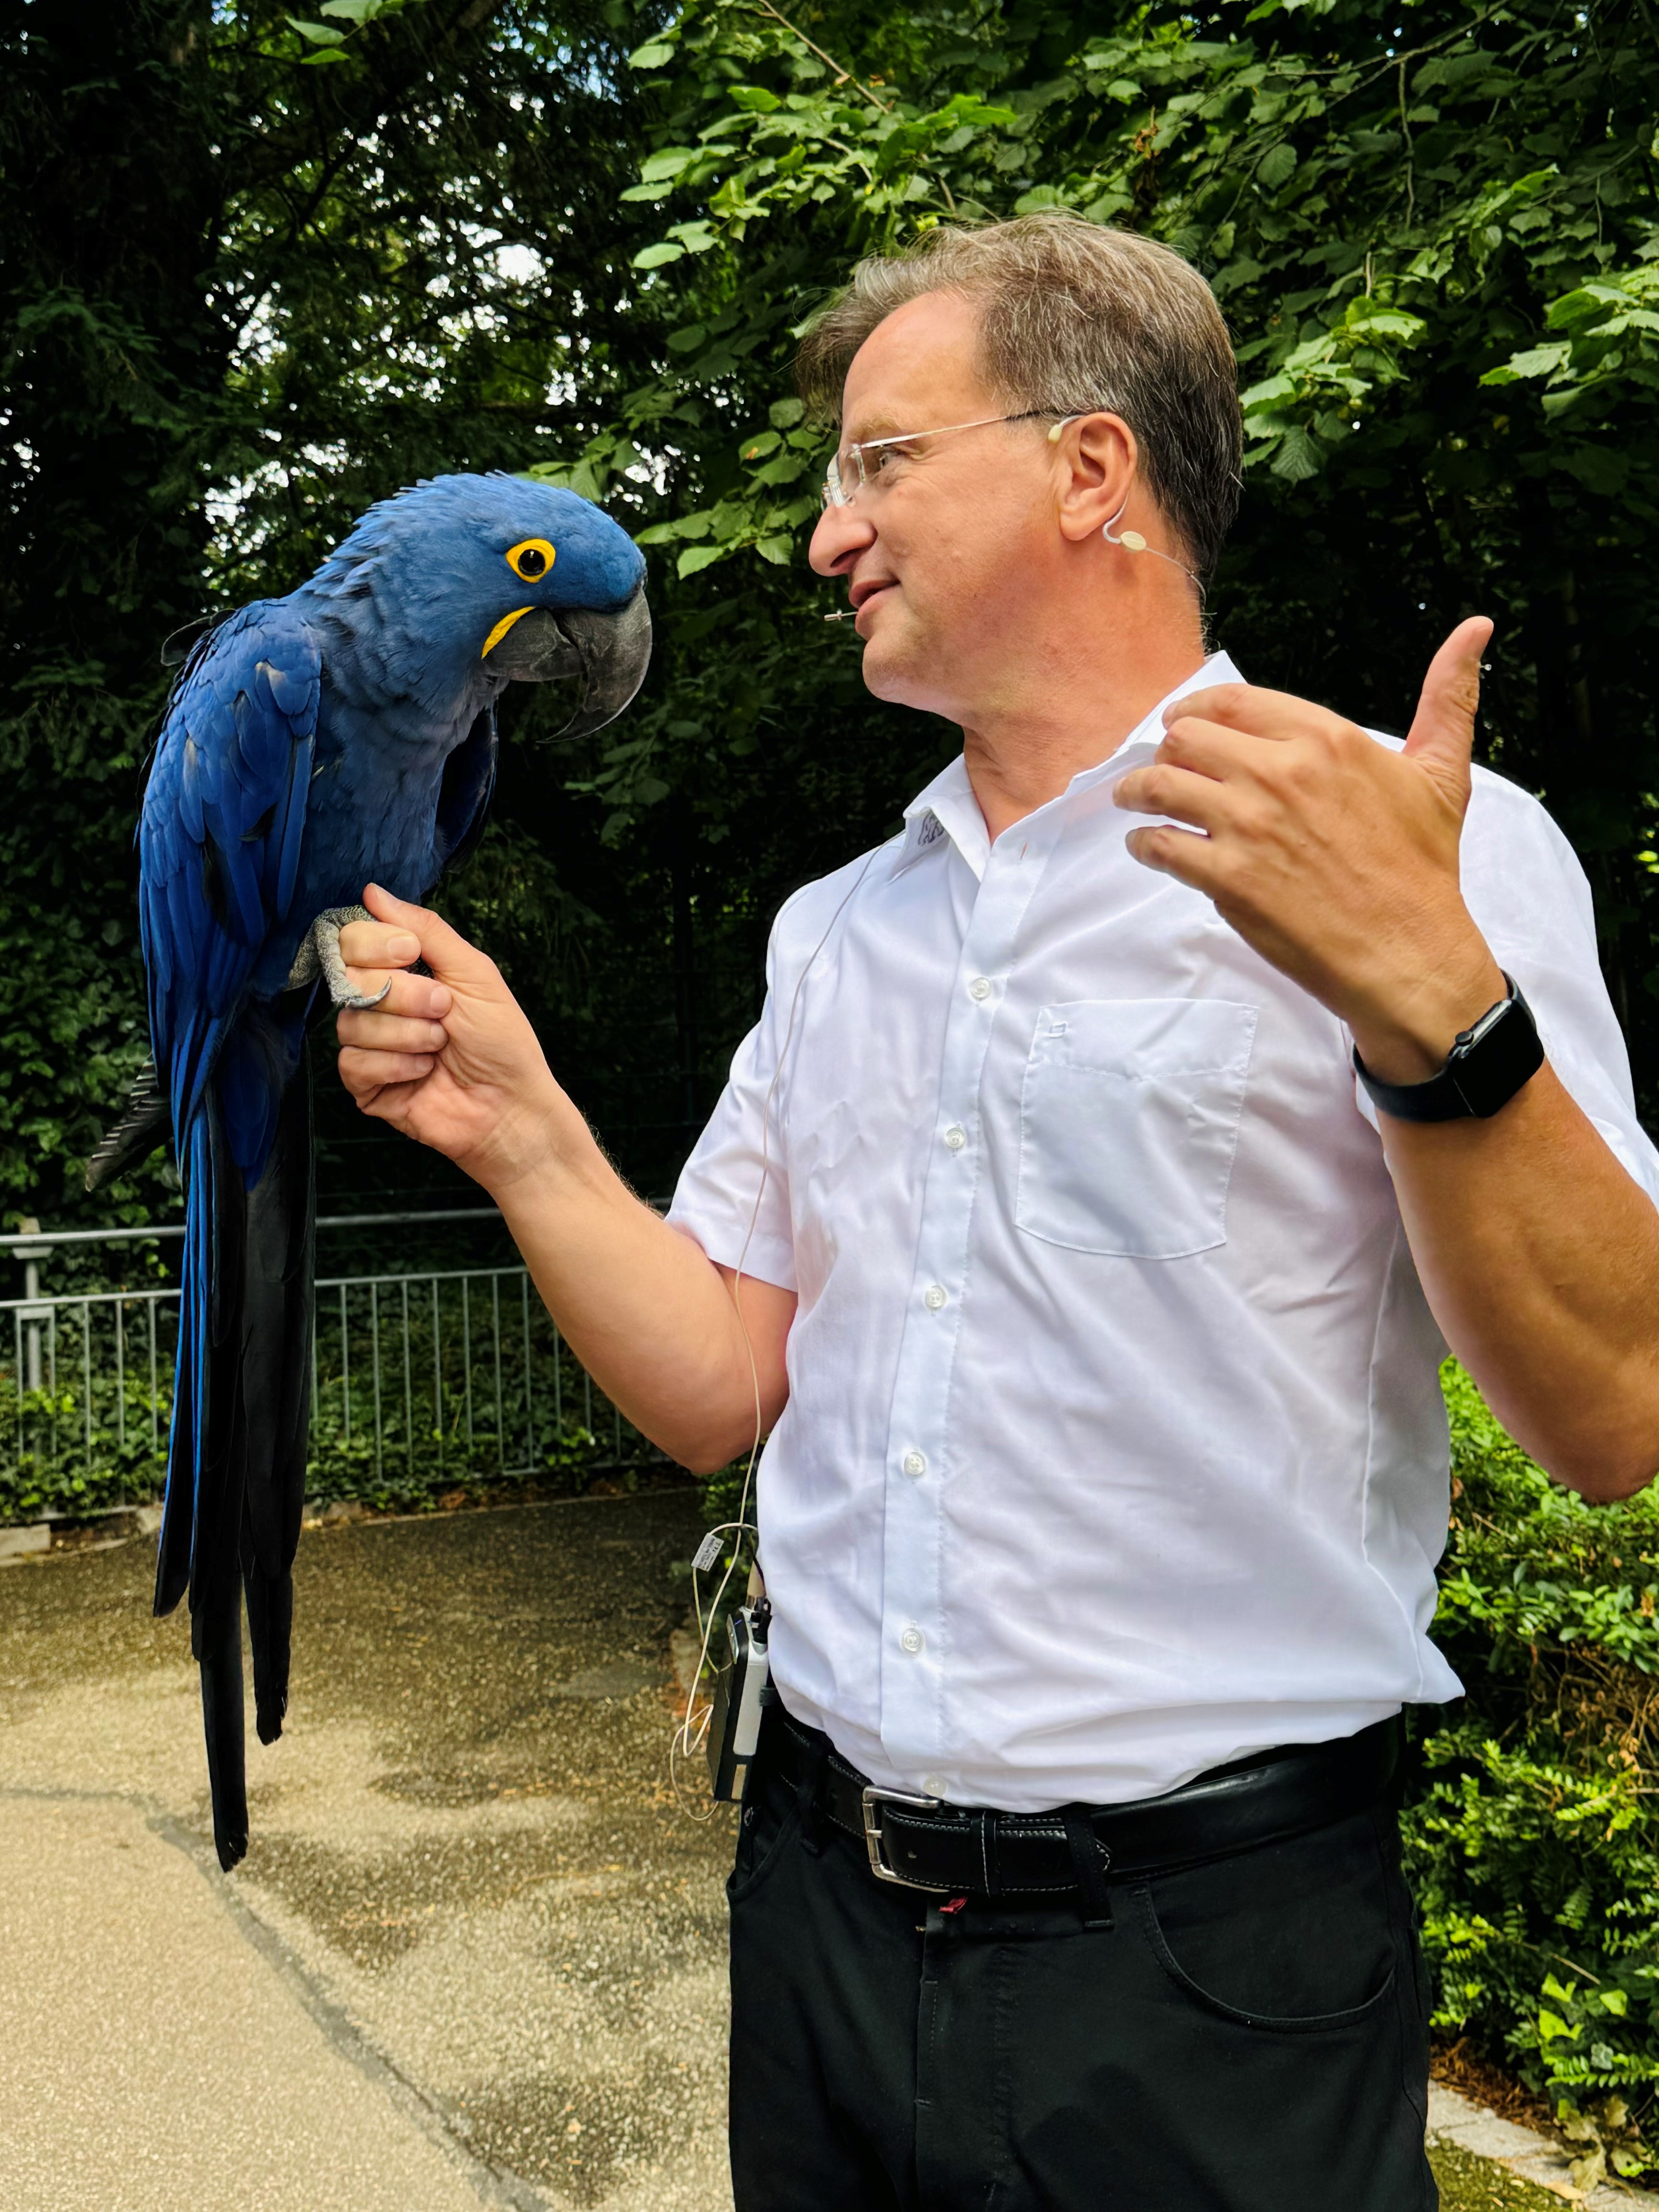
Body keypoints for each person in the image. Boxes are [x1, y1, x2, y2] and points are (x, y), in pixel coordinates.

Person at [333, 214, 1659, 2212]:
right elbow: (720, 1387)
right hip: (819, 1926)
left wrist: (1435, 1001)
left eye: (880, 461)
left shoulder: (1413, 842)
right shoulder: (838, 929)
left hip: (1209, 1973)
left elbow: (1615, 1415)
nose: (825, 535)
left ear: (1087, 467)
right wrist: (522, 1131)